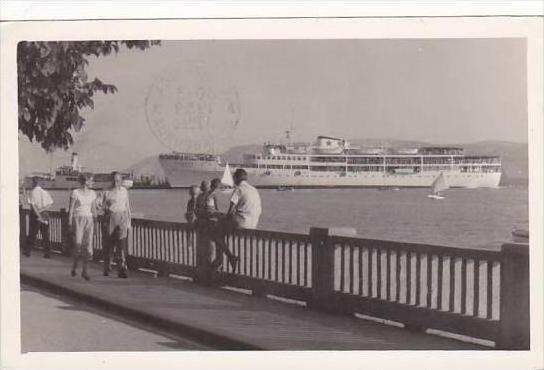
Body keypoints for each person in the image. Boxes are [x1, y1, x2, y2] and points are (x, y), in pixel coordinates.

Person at [100, 171, 132, 278]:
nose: (116, 182)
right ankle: (107, 267)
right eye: (114, 180)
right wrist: (106, 204)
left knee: (121, 245)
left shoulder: (124, 191)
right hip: (110, 217)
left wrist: (129, 222)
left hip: (122, 218)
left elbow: (127, 207)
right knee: (108, 245)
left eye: (118, 180)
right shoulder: (106, 192)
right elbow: (99, 205)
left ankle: (121, 269)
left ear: (121, 181)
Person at [68, 173, 97, 280]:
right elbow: (70, 209)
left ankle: (85, 270)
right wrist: (69, 223)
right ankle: (74, 266)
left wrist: (96, 221)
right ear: (85, 181)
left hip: (89, 220)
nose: (93, 182)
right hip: (78, 219)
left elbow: (93, 209)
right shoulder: (75, 193)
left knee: (88, 246)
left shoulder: (93, 193)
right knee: (78, 245)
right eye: (91, 180)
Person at [24, 177, 53, 258]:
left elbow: (33, 206)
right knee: (45, 235)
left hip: (35, 214)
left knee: (32, 234)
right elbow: (50, 204)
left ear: (33, 183)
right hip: (45, 214)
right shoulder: (45, 192)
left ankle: (28, 251)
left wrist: (38, 214)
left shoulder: (32, 192)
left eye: (31, 182)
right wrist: (42, 210)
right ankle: (48, 253)